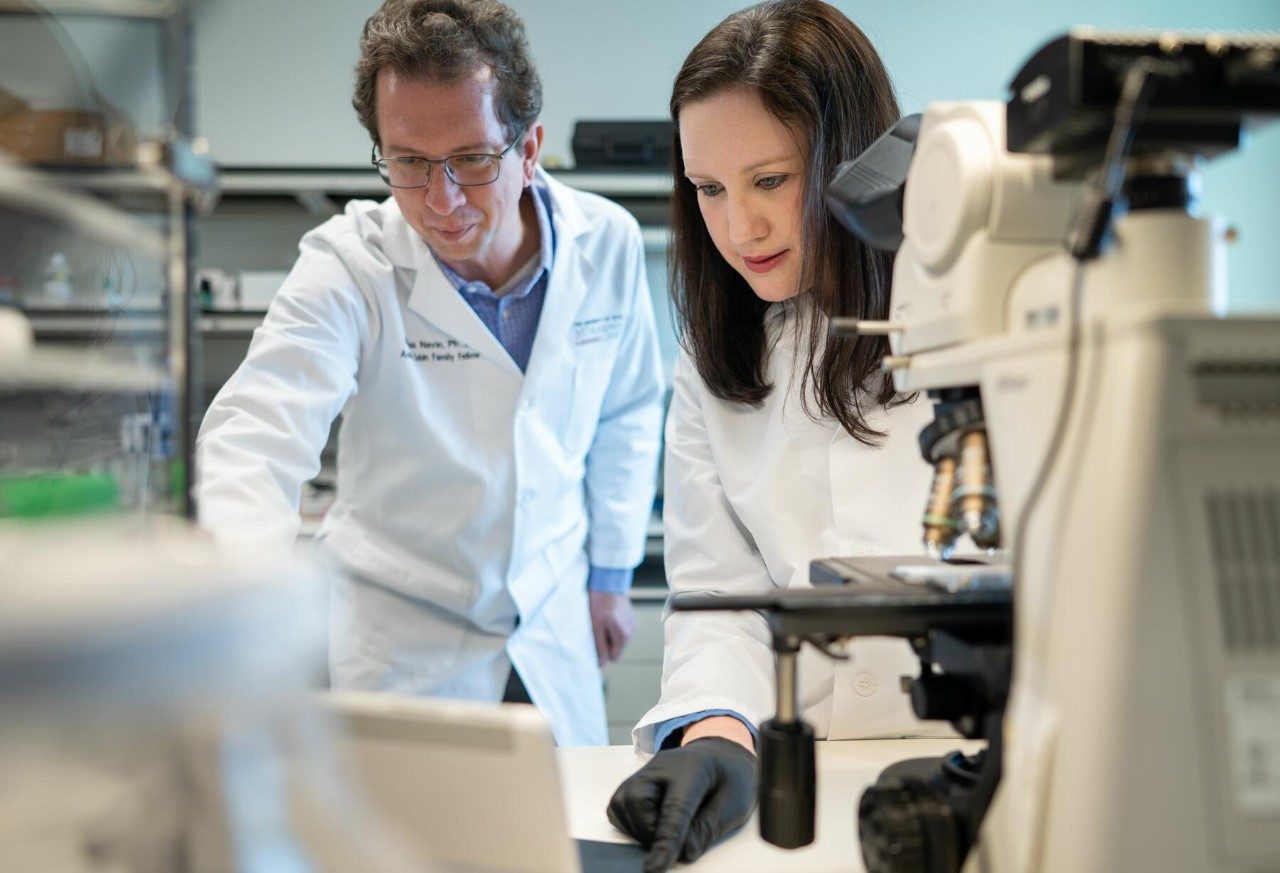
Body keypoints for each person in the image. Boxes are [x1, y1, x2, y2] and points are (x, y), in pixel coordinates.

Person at [195, 0, 664, 748]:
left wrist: (610, 574)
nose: (440, 202)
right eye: (408, 163)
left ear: (530, 147)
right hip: (403, 640)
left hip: (552, 618)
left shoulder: (604, 241)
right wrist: (249, 605)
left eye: (472, 160)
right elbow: (255, 439)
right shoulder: (349, 263)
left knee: (561, 842)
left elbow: (630, 408)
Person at [606, 1, 955, 868]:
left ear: (853, 162)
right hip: (812, 782)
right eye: (709, 189)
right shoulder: (716, 355)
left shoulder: (974, 311)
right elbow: (720, 593)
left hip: (985, 761)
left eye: (770, 180)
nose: (737, 228)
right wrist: (717, 732)